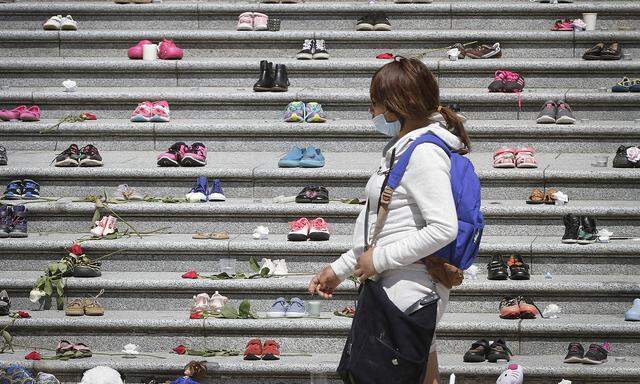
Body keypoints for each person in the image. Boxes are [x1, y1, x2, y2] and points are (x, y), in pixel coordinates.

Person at [308, 56, 470, 384]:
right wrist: (339, 270)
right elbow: (382, 226)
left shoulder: (424, 153)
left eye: (375, 103)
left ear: (397, 105)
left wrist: (378, 260)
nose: (371, 112)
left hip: (407, 292)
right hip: (404, 290)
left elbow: (443, 227)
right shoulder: (403, 148)